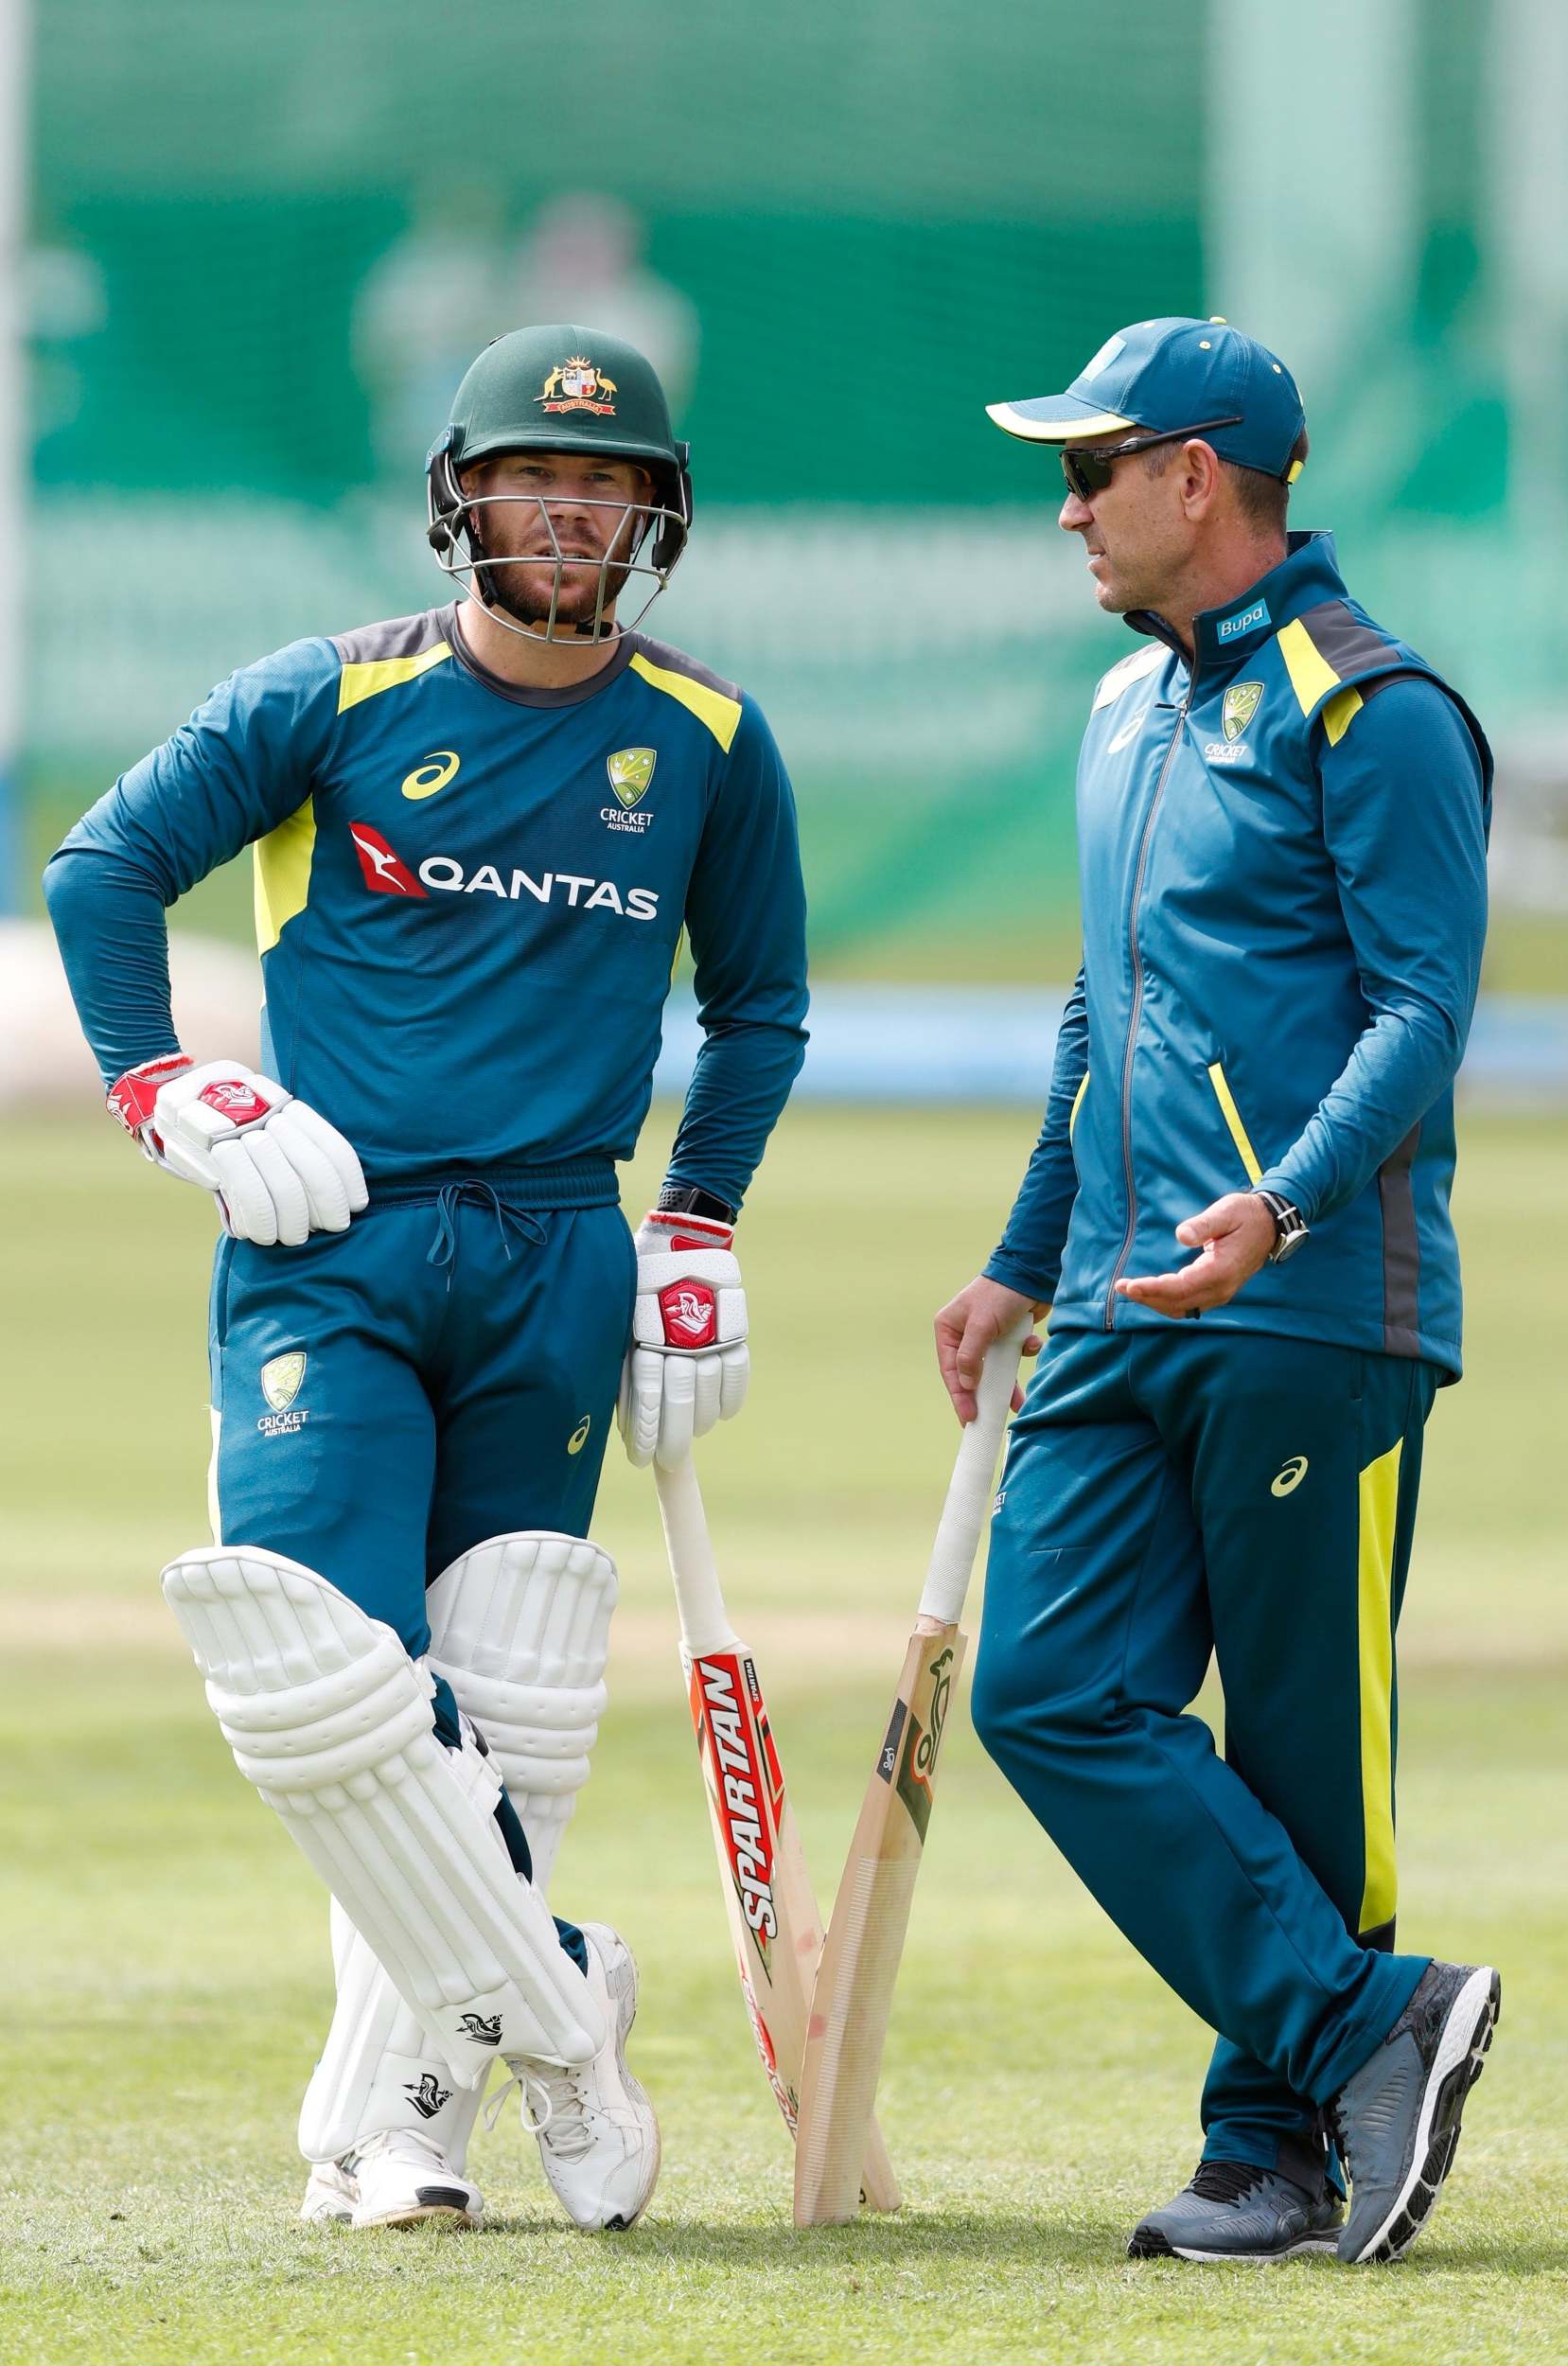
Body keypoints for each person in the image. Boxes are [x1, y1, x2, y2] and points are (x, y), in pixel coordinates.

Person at [44, 324, 807, 2234]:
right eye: (538, 483)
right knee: (317, 1669)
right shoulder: (332, 693)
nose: (571, 512)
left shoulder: (704, 736)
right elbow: (104, 863)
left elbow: (763, 1000)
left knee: (512, 1689)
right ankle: (563, 1991)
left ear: (654, 517)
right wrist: (167, 1082)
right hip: (336, 1235)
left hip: (559, 1248)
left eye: (608, 487)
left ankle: (407, 2124)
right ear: (461, 497)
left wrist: (697, 1219)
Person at [935, 317, 1499, 2267]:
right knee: (1046, 1687)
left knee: (1298, 1747)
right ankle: (1370, 2023)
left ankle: (1271, 2154)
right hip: (1113, 1304)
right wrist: (1022, 1255)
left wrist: (1280, 1199)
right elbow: (1102, 1005)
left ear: (1202, 477)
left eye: (1092, 469)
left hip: (1314, 1305)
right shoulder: (1117, 711)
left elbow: (1429, 1005)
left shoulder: (1377, 706)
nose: (1069, 506)